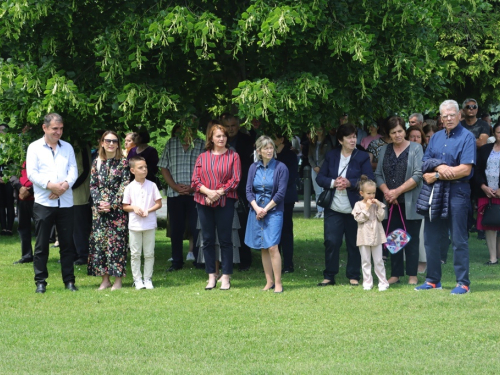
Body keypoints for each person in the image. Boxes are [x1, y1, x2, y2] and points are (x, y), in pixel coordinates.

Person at [415, 99, 476, 294]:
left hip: (458, 191)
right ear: (440, 118)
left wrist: (437, 174)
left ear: (459, 115)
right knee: (431, 237)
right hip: (436, 192)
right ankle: (433, 280)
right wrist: (441, 167)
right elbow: (426, 162)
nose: (449, 118)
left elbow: (465, 169)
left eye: (452, 114)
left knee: (459, 239)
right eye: (445, 115)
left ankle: (462, 283)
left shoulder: (467, 137)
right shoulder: (436, 137)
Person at [316, 123, 374, 286]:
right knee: (331, 241)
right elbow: (320, 178)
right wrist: (334, 183)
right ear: (340, 140)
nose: (353, 139)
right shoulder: (332, 155)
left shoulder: (362, 157)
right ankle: (329, 275)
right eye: (349, 137)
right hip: (334, 207)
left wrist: (350, 183)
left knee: (354, 242)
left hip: (354, 208)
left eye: (354, 136)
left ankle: (353, 275)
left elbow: (369, 180)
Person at [26, 113, 78, 293]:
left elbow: (73, 171)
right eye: (55, 128)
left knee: (67, 244)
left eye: (61, 128)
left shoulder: (68, 147)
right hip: (44, 202)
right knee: (41, 245)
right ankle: (40, 282)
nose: (58, 132)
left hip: (65, 202)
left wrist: (63, 186)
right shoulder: (34, 148)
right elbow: (32, 173)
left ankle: (69, 281)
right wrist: (50, 186)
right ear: (45, 128)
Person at [191, 124, 241, 291]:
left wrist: (218, 193)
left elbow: (235, 180)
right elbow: (195, 181)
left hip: (225, 201)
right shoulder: (202, 157)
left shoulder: (233, 156)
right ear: (211, 138)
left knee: (226, 239)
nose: (221, 139)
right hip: (203, 201)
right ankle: (211, 275)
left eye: (224, 136)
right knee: (207, 239)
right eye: (218, 136)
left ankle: (226, 276)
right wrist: (208, 193)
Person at [375, 116, 423, 285]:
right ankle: (395, 274)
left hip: (409, 201)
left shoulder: (416, 148)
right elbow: (378, 175)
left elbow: (418, 175)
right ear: (388, 134)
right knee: (393, 238)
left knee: (411, 238)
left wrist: (397, 191)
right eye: (393, 132)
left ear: (405, 130)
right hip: (391, 203)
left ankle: (412, 274)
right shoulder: (384, 150)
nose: (397, 135)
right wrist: (388, 193)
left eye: (400, 131)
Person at [245, 136, 289, 293]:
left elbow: (280, 193)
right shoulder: (253, 168)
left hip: (274, 211)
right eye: (266, 148)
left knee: (272, 246)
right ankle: (269, 281)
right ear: (259, 151)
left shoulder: (281, 168)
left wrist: (265, 209)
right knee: (263, 246)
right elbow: (248, 191)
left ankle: (278, 282)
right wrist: (257, 208)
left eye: (271, 148)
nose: (269, 150)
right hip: (257, 211)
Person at [88, 131, 130, 290]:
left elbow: (124, 185)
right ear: (102, 143)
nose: (111, 144)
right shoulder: (97, 162)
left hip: (117, 210)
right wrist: (100, 203)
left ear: (118, 144)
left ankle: (118, 280)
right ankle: (105, 279)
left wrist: (111, 203)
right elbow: (93, 186)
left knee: (117, 244)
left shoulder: (123, 162)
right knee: (100, 244)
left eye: (114, 141)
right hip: (99, 210)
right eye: (108, 141)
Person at [159, 124, 205, 271]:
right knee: (176, 229)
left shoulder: (202, 145)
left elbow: (207, 170)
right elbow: (163, 167)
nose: (187, 132)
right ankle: (176, 262)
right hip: (174, 193)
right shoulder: (171, 143)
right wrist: (174, 186)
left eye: (191, 128)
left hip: (196, 193)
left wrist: (193, 187)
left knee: (197, 228)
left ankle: (199, 261)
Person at [123, 156, 162, 289]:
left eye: (145, 167)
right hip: (134, 225)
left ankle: (148, 278)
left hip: (149, 224)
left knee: (149, 253)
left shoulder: (152, 185)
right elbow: (125, 206)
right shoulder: (129, 187)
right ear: (133, 170)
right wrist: (134, 208)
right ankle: (137, 279)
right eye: (141, 168)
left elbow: (159, 203)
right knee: (135, 253)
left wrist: (148, 210)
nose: (144, 170)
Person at [220, 113, 254, 271]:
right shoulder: (218, 141)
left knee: (243, 225)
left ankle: (244, 260)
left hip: (242, 188)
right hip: (221, 190)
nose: (230, 129)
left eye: (233, 125)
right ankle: (223, 261)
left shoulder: (247, 140)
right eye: (227, 126)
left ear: (238, 126)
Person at [352, 175, 389, 291]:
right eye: (369, 193)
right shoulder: (358, 205)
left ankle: (383, 282)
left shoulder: (377, 204)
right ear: (362, 193)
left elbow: (381, 217)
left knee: (379, 261)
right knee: (365, 261)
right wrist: (367, 208)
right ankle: (367, 282)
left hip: (377, 237)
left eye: (373, 193)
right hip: (364, 237)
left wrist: (378, 207)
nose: (372, 196)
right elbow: (359, 219)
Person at [474, 122, 500, 265]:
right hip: (487, 193)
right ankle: (492, 258)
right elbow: (477, 171)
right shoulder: (485, 149)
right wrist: (484, 187)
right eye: (498, 132)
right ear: (494, 134)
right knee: (490, 224)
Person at [274, 134, 299, 274]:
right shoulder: (269, 154)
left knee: (286, 231)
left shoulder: (290, 155)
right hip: (272, 197)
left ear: (281, 139)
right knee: (273, 230)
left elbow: (291, 176)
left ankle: (288, 263)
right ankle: (275, 262)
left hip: (286, 198)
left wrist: (278, 190)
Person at [10, 162, 35, 264]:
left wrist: (30, 190)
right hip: (21, 198)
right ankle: (27, 255)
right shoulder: (17, 154)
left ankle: (40, 255)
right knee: (23, 227)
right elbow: (11, 175)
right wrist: (20, 187)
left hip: (36, 197)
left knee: (42, 227)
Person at [72, 142, 92, 265]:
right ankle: (73, 254)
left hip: (79, 194)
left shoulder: (83, 146)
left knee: (79, 226)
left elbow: (85, 171)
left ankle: (83, 254)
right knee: (70, 226)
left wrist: (71, 186)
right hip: (68, 193)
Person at [309, 126, 333, 218]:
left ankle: (324, 211)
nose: (318, 131)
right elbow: (310, 156)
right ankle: (319, 211)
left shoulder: (327, 142)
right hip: (314, 168)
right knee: (317, 190)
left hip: (324, 168)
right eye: (317, 130)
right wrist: (314, 166)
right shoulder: (312, 142)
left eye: (320, 129)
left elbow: (328, 155)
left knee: (324, 190)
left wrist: (320, 166)